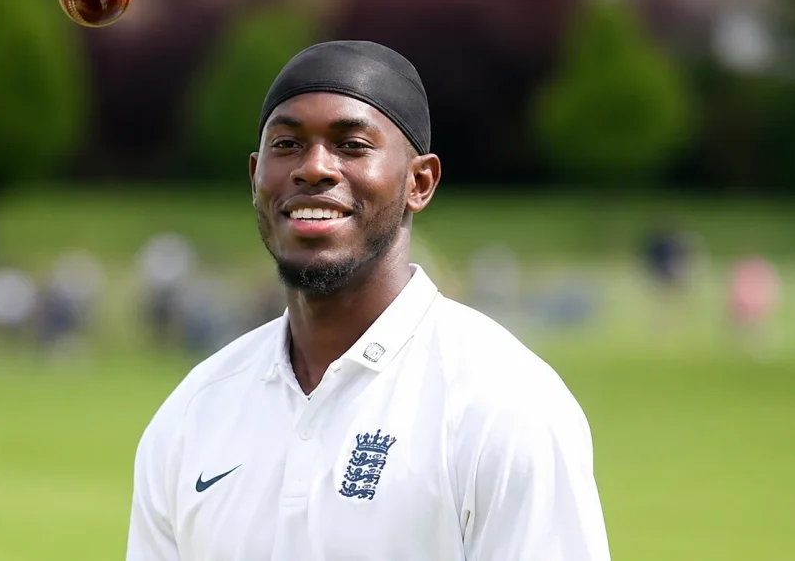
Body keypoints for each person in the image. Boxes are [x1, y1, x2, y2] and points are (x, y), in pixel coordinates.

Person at [126, 41, 610, 560]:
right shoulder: (195, 411)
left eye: (352, 145)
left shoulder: (503, 402)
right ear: (254, 178)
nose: (314, 168)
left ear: (418, 182)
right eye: (286, 144)